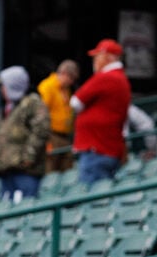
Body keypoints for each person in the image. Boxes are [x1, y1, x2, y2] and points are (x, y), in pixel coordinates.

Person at [70, 39, 131, 186]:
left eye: (98, 56)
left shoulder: (107, 77)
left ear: (109, 57)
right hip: (106, 149)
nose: (95, 61)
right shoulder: (121, 78)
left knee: (91, 202)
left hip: (97, 149)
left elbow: (75, 102)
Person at [0, 66, 51, 200]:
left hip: (26, 172)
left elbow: (41, 130)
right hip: (6, 171)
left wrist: (28, 158)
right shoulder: (6, 110)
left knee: (24, 212)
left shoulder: (32, 104)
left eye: (4, 86)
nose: (2, 90)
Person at [38, 60, 79, 173]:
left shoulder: (66, 90)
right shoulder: (47, 86)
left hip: (65, 136)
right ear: (64, 73)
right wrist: (45, 138)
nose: (71, 82)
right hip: (52, 135)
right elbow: (42, 113)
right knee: (50, 168)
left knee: (67, 168)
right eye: (70, 79)